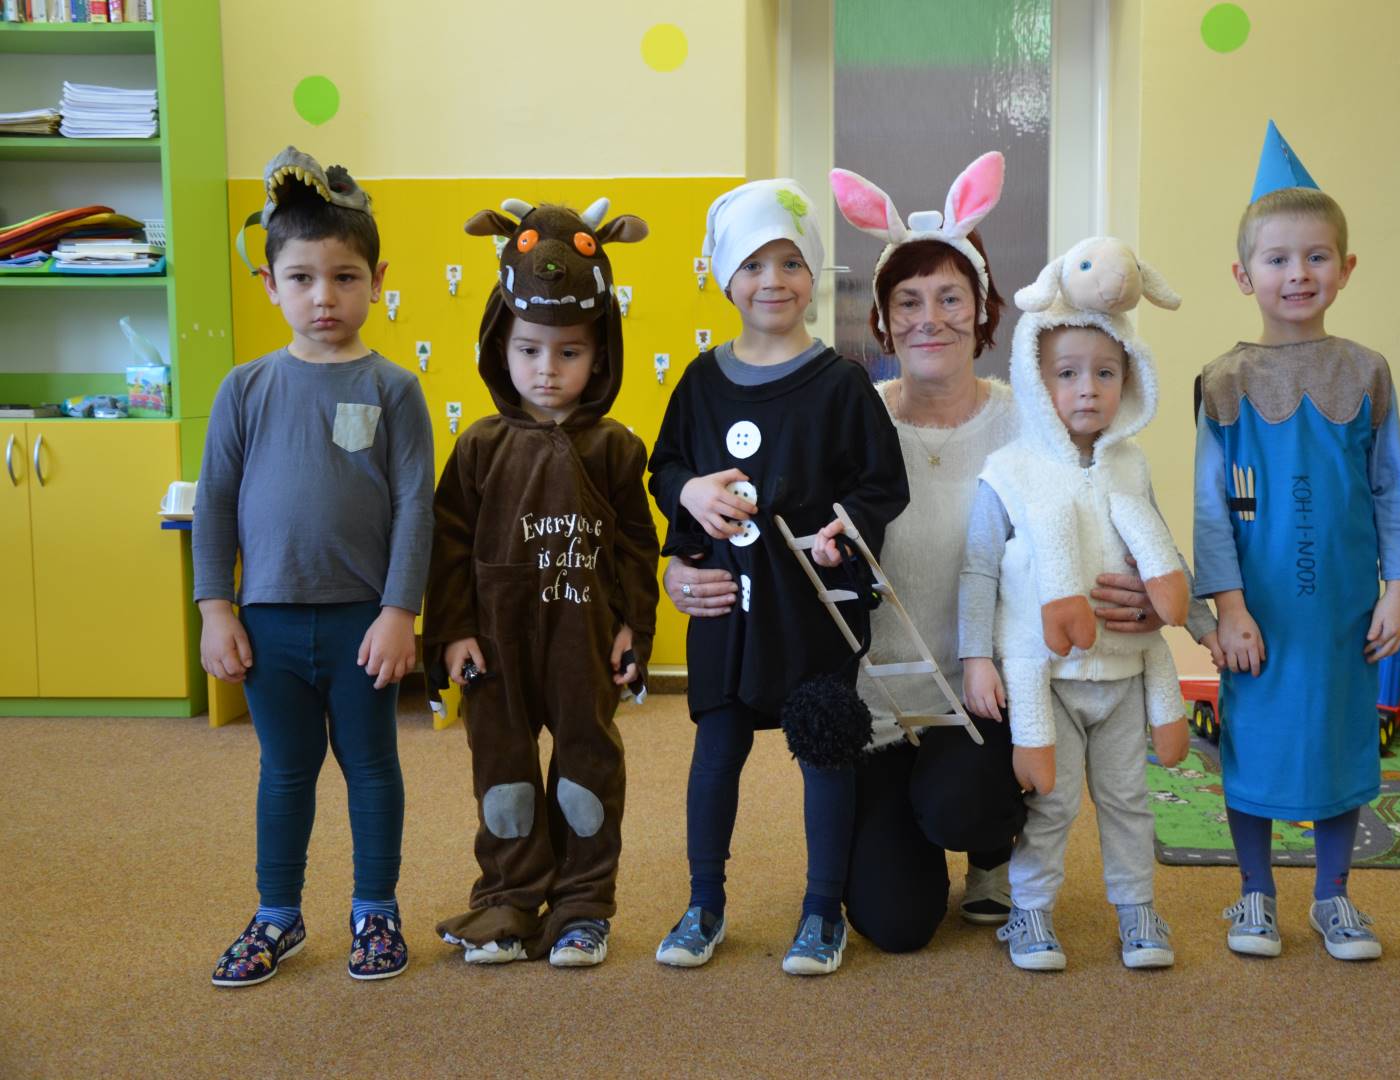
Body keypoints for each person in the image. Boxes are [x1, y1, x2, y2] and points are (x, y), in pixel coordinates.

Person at [668, 156, 1217, 954]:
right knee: (895, 923)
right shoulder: (845, 413)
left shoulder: (1032, 423)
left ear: (983, 309)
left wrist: (1158, 601)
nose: (930, 319)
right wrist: (682, 567)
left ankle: (995, 854)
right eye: (908, 302)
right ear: (884, 320)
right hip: (874, 702)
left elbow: (1125, 511)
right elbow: (764, 520)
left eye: (951, 298)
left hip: (987, 700)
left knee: (967, 807)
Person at [648, 179, 909, 975]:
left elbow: (881, 485)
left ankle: (822, 911)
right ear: (725, 277)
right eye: (754, 264)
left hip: (813, 613)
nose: (773, 280)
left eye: (791, 262)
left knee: (825, 752)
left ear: (813, 275)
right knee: (716, 752)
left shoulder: (841, 382)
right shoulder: (700, 381)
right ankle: (704, 904)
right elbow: (666, 469)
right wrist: (689, 497)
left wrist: (846, 529)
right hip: (727, 609)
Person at [195, 148, 433, 986]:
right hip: (267, 622)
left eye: (344, 277)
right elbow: (214, 503)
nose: (323, 296)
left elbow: (415, 507)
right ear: (270, 284)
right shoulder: (244, 388)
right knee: (285, 770)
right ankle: (277, 914)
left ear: (378, 281)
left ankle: (376, 910)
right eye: (301, 278)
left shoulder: (395, 388)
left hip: (364, 623)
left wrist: (400, 611)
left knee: (371, 766)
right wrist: (215, 608)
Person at [1193, 122, 1400, 961]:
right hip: (1261, 610)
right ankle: (1255, 892)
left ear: (1345, 268)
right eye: (1278, 258)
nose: (1298, 274)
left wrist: (1398, 589)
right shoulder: (1225, 381)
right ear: (1243, 273)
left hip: (1343, 608)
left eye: (1317, 256)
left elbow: (1391, 487)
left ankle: (1333, 896)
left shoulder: (1367, 372)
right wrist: (1228, 609)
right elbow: (1211, 509)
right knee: (1254, 744)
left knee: (1335, 741)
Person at [422, 196, 659, 968]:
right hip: (496, 646)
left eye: (568, 353)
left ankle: (584, 904)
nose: (547, 370)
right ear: (501, 346)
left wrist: (634, 628)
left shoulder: (615, 448)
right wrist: (452, 632)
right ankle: (510, 900)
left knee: (587, 769)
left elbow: (637, 549)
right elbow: (448, 548)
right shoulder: (480, 447)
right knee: (505, 775)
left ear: (600, 355)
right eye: (528, 350)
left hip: (581, 642)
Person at [960, 241, 1193, 972]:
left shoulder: (1131, 465)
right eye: (1067, 374)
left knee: (1127, 800)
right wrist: (976, 657)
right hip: (1048, 679)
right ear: (1038, 382)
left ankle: (1137, 910)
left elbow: (1162, 557)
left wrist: (1205, 626)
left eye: (1105, 373)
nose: (1087, 390)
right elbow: (978, 569)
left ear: (1130, 379)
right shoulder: (1011, 470)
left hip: (1124, 675)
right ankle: (1030, 912)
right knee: (1052, 802)